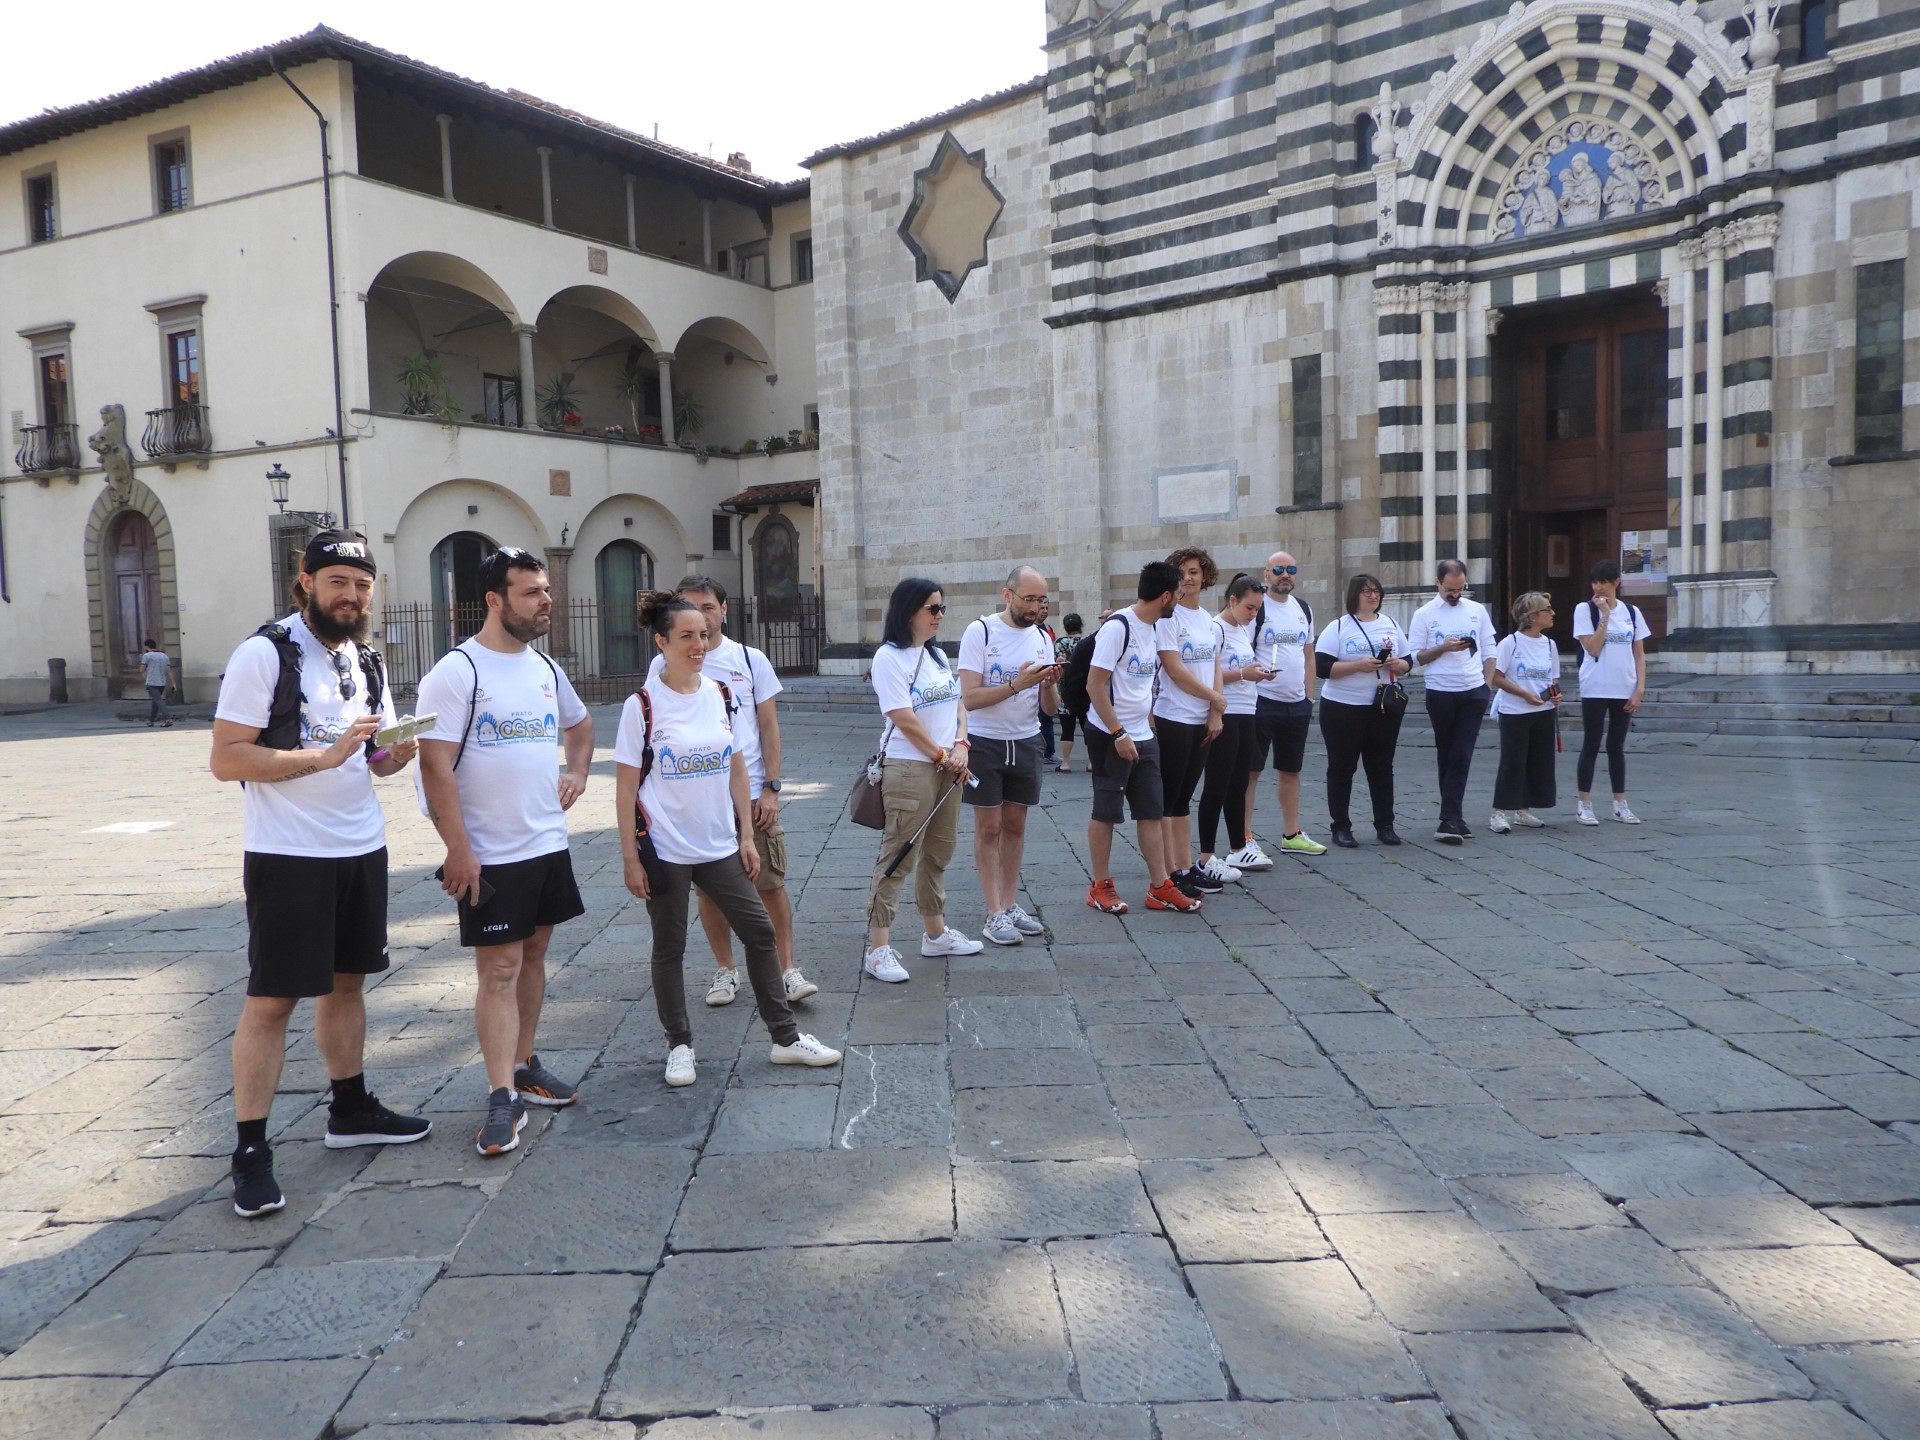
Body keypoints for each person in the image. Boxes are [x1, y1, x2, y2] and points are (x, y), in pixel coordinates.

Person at [209, 531, 430, 1218]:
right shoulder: (264, 653)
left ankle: (350, 1107)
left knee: (348, 983)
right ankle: (250, 1151)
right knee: (273, 1001)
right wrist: (320, 757)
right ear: (305, 582)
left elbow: (373, 756)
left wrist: (395, 756)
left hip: (359, 846)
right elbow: (228, 758)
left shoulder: (366, 656)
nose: (351, 595)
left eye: (362, 584)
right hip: (288, 854)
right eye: (337, 581)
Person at [617, 594, 840, 1086]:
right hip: (667, 848)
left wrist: (745, 835)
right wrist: (630, 858)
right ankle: (679, 1045)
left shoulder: (719, 693)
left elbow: (737, 764)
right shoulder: (644, 705)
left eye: (702, 634)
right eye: (685, 636)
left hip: (720, 843)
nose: (698, 645)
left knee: (759, 934)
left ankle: (785, 1039)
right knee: (669, 947)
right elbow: (625, 787)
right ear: (661, 641)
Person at [416, 547, 593, 1157]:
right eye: (531, 592)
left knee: (536, 954)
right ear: (494, 600)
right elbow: (434, 765)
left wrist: (577, 772)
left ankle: (523, 1064)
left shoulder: (544, 668)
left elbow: (580, 724)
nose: (546, 601)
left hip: (546, 841)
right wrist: (457, 850)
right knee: (499, 969)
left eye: (546, 590)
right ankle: (501, 1096)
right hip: (488, 854)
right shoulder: (457, 671)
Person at [648, 576, 816, 1009]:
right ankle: (726, 969)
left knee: (771, 883)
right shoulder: (662, 664)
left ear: (724, 609)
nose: (700, 617)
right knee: (710, 892)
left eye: (707, 607)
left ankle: (786, 968)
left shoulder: (749, 659)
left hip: (751, 794)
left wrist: (771, 787)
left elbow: (767, 726)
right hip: (700, 796)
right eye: (690, 608)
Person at [862, 577, 983, 982]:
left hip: (948, 766)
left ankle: (935, 932)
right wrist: (940, 754)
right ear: (908, 610)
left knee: (940, 852)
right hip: (910, 767)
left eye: (942, 608)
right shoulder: (888, 658)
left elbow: (957, 705)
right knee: (898, 854)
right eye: (933, 608)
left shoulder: (935, 657)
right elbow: (902, 717)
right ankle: (879, 948)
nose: (940, 616)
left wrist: (961, 745)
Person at [1084, 561, 1198, 914]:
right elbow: (1094, 685)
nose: (1179, 600)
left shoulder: (1154, 627)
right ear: (1165, 596)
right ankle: (1100, 886)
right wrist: (1118, 732)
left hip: (1143, 735)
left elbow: (1140, 684)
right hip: (1109, 734)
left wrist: (1145, 727)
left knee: (1151, 811)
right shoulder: (1119, 628)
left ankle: (1160, 885)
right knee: (1106, 812)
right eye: (1177, 594)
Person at [958, 565, 1061, 947]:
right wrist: (1017, 683)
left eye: (1042, 600)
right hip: (985, 741)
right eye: (1029, 599)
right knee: (989, 828)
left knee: (1016, 825)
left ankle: (1011, 902)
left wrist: (1048, 685)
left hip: (1027, 739)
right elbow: (969, 698)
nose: (1036, 607)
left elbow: (1050, 708)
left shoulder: (1042, 638)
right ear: (1008, 595)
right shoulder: (981, 631)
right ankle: (993, 911)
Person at [1315, 573, 1413, 848]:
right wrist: (1358, 665)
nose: (1372, 595)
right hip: (1342, 707)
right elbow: (1322, 668)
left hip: (1383, 706)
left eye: (1376, 591)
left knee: (1382, 767)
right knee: (1341, 767)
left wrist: (1398, 665)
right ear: (1354, 596)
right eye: (1366, 591)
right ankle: (1341, 827)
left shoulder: (1391, 624)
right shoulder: (1338, 627)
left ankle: (1385, 825)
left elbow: (1408, 661)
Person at [1154, 548, 1229, 894]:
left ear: (1206, 576)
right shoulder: (1168, 619)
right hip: (1174, 715)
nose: (1188, 577)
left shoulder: (1207, 621)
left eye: (1195, 571)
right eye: (1182, 572)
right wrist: (1214, 698)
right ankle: (1169, 871)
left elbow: (1214, 667)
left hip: (1202, 717)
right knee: (1170, 797)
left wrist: (1215, 712)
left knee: (1185, 796)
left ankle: (1186, 866)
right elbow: (1174, 669)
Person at [1409, 560, 1498, 844]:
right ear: (1438, 583)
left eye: (1460, 589)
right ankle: (1452, 817)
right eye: (1450, 589)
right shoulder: (1424, 614)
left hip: (1473, 691)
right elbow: (1414, 658)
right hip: (1440, 691)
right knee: (1447, 754)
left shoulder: (1477, 610)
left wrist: (1486, 684)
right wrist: (1443, 648)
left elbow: (1489, 647)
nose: (1456, 594)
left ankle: (1450, 817)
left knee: (1462, 754)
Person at [1247, 550, 1325, 857]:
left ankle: (1291, 833)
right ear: (1266, 574)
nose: (1285, 574)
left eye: (1291, 568)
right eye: (1278, 568)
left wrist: (1308, 696)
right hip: (1262, 701)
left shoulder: (1302, 609)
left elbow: (1308, 654)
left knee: (1291, 770)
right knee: (1251, 771)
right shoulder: (1258, 608)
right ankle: (1245, 837)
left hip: (1296, 703)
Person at [1195, 574, 1271, 880]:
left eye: (1257, 609)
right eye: (1250, 607)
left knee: (1239, 782)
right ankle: (1207, 854)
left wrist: (1257, 674)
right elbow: (1208, 675)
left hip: (1247, 710)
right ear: (1233, 600)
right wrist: (1243, 674)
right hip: (1224, 710)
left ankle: (1239, 847)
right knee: (1217, 783)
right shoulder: (1216, 628)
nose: (1254, 614)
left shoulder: (1243, 627)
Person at [1572, 558, 1650, 825]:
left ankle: (1620, 803)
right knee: (1591, 744)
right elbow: (1592, 648)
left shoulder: (1632, 612)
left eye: (1604, 582)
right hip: (1595, 687)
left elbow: (1638, 654)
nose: (1599, 588)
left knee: (1616, 746)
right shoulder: (1584, 610)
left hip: (1623, 686)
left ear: (1616, 582)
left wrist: (1639, 688)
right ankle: (1584, 803)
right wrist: (1604, 616)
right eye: (1595, 582)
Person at [1489, 591, 1561, 833]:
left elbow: (1554, 678)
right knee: (1512, 762)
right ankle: (1499, 812)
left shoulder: (1550, 644)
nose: (1553, 613)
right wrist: (1523, 694)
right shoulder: (1510, 643)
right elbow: (1496, 677)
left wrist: (1555, 695)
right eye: (1547, 609)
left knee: (1537, 761)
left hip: (1543, 710)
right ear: (1532, 616)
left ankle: (1523, 809)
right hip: (1515, 711)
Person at [1049, 614, 1083, 772]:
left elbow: (1059, 663)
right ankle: (1092, 763)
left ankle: (1066, 763)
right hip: (1085, 690)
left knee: (1067, 729)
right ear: (1080, 625)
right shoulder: (1087, 642)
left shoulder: (1061, 642)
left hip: (1065, 690)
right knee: (1087, 727)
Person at [141, 639, 175, 727]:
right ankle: (151, 720)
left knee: (158, 701)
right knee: (155, 701)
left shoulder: (147, 656)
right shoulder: (164, 656)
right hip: (162, 682)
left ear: (147, 646)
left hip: (152, 682)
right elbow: (169, 671)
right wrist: (173, 683)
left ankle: (167, 718)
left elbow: (142, 669)